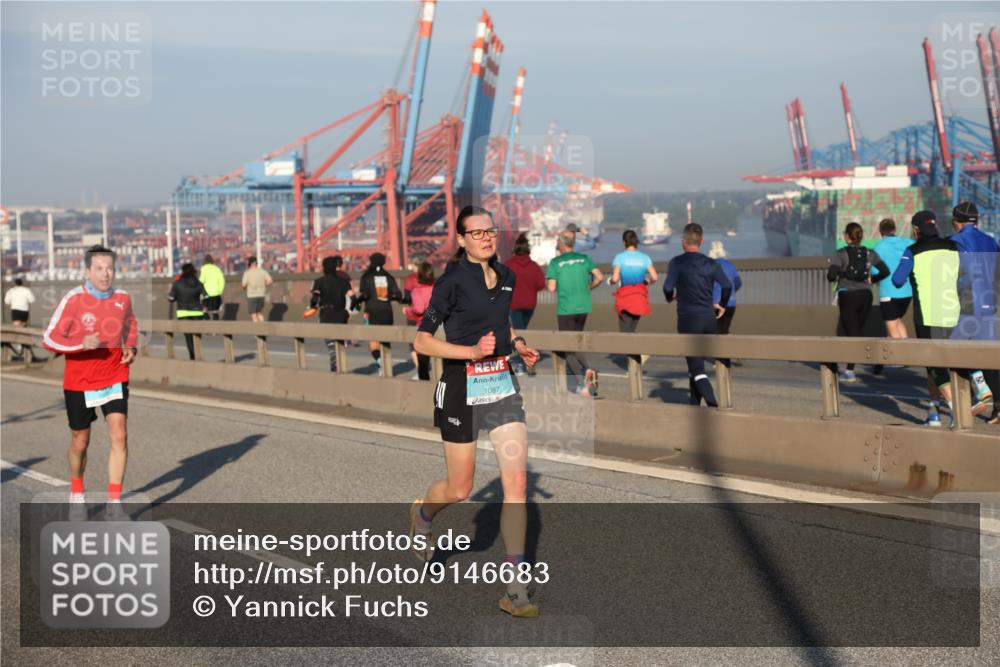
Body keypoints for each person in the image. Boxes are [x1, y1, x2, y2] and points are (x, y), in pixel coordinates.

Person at [411, 205, 541, 618]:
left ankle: (516, 588)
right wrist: (469, 351)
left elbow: (503, 325)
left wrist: (518, 344)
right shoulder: (450, 283)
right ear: (463, 240)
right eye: (476, 232)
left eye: (490, 231)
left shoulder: (507, 277)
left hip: (501, 383)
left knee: (517, 483)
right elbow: (422, 342)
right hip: (461, 388)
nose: (486, 237)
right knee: (460, 489)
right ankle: (422, 513)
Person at [42, 245, 138, 521]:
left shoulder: (122, 297)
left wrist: (131, 347)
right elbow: (49, 339)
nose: (105, 274)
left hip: (114, 374)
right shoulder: (73, 299)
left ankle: (114, 504)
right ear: (87, 271)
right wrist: (80, 344)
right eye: (99, 268)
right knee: (80, 441)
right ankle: (77, 493)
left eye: (109, 268)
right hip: (80, 379)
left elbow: (130, 324)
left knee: (119, 433)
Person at [891, 210, 961, 427]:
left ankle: (957, 412)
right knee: (948, 364)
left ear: (916, 230)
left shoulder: (912, 251)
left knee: (934, 365)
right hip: (953, 313)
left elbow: (897, 280)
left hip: (928, 317)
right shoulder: (952, 247)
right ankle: (934, 413)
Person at [662, 223, 732, 407]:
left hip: (688, 320)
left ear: (683, 241)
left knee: (697, 369)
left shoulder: (676, 262)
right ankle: (694, 407)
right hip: (709, 320)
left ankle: (714, 406)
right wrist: (722, 305)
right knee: (695, 368)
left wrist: (670, 297)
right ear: (701, 241)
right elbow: (727, 286)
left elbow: (667, 287)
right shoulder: (711, 263)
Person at [948, 202, 1000, 423]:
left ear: (956, 221)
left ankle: (977, 393)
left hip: (966, 305)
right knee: (990, 358)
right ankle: (997, 406)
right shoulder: (991, 241)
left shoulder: (956, 241)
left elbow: (963, 273)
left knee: (951, 353)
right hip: (989, 302)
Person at [826, 222, 890, 382]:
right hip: (866, 295)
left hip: (848, 295)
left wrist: (836, 272)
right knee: (856, 331)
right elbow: (885, 271)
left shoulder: (840, 254)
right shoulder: (870, 252)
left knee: (853, 333)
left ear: (847, 236)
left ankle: (856, 368)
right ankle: (852, 366)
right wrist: (872, 279)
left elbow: (831, 276)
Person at [546, 229, 604, 396]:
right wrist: (589, 287)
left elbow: (551, 288)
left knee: (568, 347)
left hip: (566, 308)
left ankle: (584, 379)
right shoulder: (585, 258)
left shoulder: (556, 262)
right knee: (577, 341)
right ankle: (587, 375)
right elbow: (599, 277)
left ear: (562, 244)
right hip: (583, 306)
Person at [504, 233, 546, 375]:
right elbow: (541, 284)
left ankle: (522, 363)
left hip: (513, 304)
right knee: (523, 331)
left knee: (519, 333)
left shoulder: (509, 265)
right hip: (529, 304)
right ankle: (525, 362)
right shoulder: (534, 266)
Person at [354, 252, 402, 371]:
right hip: (387, 311)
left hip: (372, 312)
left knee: (373, 341)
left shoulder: (366, 276)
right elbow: (398, 295)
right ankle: (386, 365)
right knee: (385, 341)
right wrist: (388, 296)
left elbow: (364, 295)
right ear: (383, 262)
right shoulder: (388, 277)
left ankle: (381, 363)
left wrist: (356, 302)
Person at [871, 219, 914, 343]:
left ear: (880, 232)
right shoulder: (908, 242)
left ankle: (898, 359)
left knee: (891, 323)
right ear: (894, 230)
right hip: (907, 292)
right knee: (897, 320)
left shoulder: (880, 246)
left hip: (889, 292)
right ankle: (907, 350)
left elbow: (874, 270)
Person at [311, 256, 354, 372]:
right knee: (340, 340)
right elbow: (353, 298)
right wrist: (349, 310)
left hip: (326, 313)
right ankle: (339, 363)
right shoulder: (344, 281)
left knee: (330, 341)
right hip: (341, 313)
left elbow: (314, 300)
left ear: (324, 267)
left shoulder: (318, 282)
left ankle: (334, 359)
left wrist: (313, 307)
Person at [610, 229, 658, 333]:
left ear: (624, 242)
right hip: (640, 298)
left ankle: (637, 349)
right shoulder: (645, 258)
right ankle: (638, 349)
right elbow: (655, 277)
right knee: (632, 331)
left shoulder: (620, 257)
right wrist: (646, 281)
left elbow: (615, 278)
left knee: (625, 333)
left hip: (625, 298)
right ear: (636, 241)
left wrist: (610, 281)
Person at [707, 241, 742, 367]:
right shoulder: (731, 265)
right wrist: (731, 293)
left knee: (717, 332)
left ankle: (721, 360)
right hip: (731, 303)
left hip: (716, 303)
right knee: (724, 330)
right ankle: (737, 350)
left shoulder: (711, 266)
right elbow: (738, 283)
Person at [167, 263, 208, 360]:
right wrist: (204, 309)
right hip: (197, 312)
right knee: (197, 334)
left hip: (183, 313)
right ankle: (197, 354)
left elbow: (171, 298)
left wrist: (174, 297)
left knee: (188, 336)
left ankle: (192, 356)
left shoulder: (177, 283)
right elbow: (206, 297)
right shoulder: (198, 283)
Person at [403, 261, 434, 380]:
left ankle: (424, 383)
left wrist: (407, 311)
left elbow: (419, 309)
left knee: (422, 358)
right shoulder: (437, 287)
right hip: (439, 324)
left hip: (423, 325)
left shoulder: (417, 291)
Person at [4, 278, 35, 359]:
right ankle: (23, 345)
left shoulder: (11, 291)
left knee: (17, 328)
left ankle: (19, 344)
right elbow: (32, 300)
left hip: (15, 310)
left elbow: (7, 301)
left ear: (14, 284)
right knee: (23, 328)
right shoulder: (26, 290)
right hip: (25, 311)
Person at [241, 256, 272, 322]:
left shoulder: (247, 273)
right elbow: (270, 281)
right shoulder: (262, 271)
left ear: (249, 263)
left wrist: (245, 287)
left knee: (253, 315)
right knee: (259, 313)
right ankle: (263, 329)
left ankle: (258, 330)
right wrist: (264, 285)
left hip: (252, 296)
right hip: (261, 295)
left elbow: (243, 285)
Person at [199, 254, 226, 320]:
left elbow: (201, 281)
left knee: (204, 310)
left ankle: (208, 322)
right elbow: (222, 281)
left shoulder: (204, 268)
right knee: (215, 311)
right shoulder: (217, 269)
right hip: (216, 293)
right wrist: (220, 291)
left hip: (207, 294)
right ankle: (216, 327)